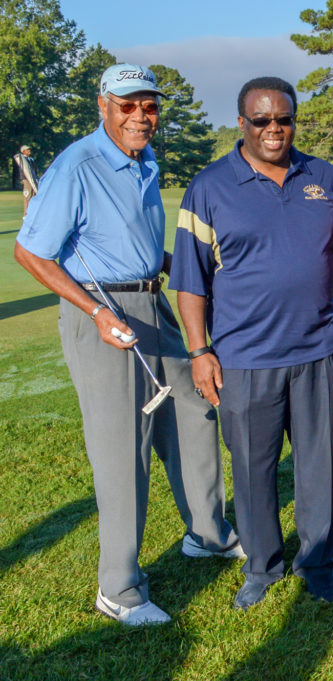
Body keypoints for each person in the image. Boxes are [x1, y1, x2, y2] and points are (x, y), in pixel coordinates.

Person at [13, 63, 243, 627]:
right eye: (128, 105)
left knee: (194, 407)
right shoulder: (78, 165)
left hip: (152, 303)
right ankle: (119, 587)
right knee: (123, 447)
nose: (141, 115)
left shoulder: (143, 161)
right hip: (102, 312)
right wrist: (94, 312)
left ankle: (206, 533)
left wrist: (184, 267)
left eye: (149, 106)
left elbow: (137, 246)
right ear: (104, 105)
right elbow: (31, 253)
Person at [170, 77, 333, 610]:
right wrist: (200, 352)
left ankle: (316, 561)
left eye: (284, 119)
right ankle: (264, 565)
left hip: (318, 349)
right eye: (262, 120)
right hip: (243, 359)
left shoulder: (323, 175)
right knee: (252, 469)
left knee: (318, 465)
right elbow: (189, 281)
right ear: (241, 124)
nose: (275, 129)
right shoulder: (208, 186)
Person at [14, 144, 39, 216]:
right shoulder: (22, 159)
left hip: (33, 179)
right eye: (27, 150)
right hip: (26, 179)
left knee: (33, 195)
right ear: (24, 151)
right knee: (28, 196)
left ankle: (33, 213)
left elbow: (34, 170)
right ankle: (26, 214)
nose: (29, 151)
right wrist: (23, 179)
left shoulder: (31, 159)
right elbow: (23, 170)